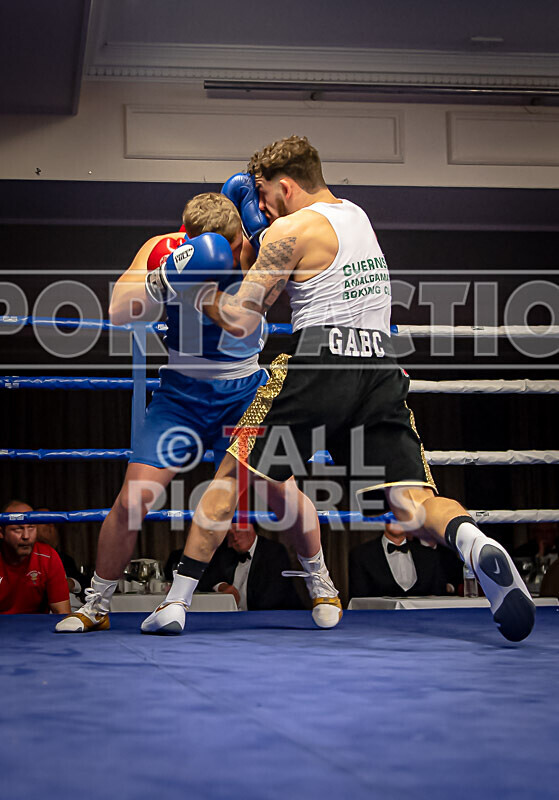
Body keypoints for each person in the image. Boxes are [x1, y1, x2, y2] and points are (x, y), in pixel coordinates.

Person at [143, 134, 535, 642]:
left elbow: (241, 320)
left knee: (227, 482)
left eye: (263, 195)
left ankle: (175, 604)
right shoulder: (358, 215)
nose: (259, 206)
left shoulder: (288, 231)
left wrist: (190, 289)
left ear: (285, 185)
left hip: (318, 364)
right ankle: (473, 541)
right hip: (381, 368)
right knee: (411, 502)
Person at [55, 192, 271, 632]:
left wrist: (211, 288)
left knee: (280, 494)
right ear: (186, 237)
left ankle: (322, 582)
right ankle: (95, 605)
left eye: (230, 245)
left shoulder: (257, 248)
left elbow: (246, 321)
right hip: (181, 395)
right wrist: (166, 279)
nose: (226, 254)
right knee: (131, 502)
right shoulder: (164, 249)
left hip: (244, 390)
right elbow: (117, 311)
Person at [196, 522, 302, 610]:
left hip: (274, 621)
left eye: (237, 531)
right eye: (230, 534)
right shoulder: (225, 552)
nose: (235, 538)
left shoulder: (274, 552)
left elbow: (271, 600)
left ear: (250, 528)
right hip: (232, 622)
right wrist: (223, 586)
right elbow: (205, 578)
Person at [0, 500, 70, 615]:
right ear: (1, 532)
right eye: (18, 529)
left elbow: (62, 613)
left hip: (38, 629)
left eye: (31, 527)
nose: (26, 536)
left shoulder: (48, 557)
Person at [348, 522, 448, 599]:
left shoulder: (430, 556)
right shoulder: (361, 555)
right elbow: (359, 601)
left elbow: (439, 597)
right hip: (377, 622)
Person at [35, 508, 83, 598]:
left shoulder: (64, 559)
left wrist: (70, 583)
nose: (51, 526)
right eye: (45, 522)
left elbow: (83, 583)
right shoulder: (23, 557)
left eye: (53, 523)